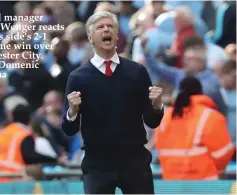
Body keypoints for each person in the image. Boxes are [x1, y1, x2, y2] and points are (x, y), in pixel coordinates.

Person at [61, 11, 164, 194]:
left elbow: (152, 121)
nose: (106, 30)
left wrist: (156, 106)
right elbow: (69, 128)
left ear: (117, 35)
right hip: (97, 164)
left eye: (110, 27)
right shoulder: (78, 78)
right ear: (91, 38)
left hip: (135, 162)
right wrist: (72, 111)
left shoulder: (137, 72)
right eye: (100, 27)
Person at [155, 76, 235, 180]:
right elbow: (223, 153)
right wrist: (217, 169)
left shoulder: (165, 116)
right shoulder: (211, 117)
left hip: (172, 184)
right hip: (204, 184)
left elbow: (160, 149)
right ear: (201, 91)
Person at [0, 97, 67, 183]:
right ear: (30, 118)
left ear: (12, 117)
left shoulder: (3, 132)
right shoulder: (24, 134)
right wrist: (55, 159)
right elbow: (31, 156)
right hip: (11, 179)